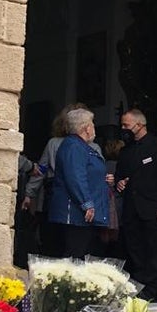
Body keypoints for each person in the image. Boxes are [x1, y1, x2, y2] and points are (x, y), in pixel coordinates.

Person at [114, 109, 157, 300]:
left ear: (139, 125)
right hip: (131, 210)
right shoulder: (125, 152)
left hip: (154, 209)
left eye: (126, 125)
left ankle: (153, 289)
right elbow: (120, 177)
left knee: (154, 250)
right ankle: (138, 286)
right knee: (134, 249)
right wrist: (120, 183)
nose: (123, 129)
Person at [28, 102, 99, 257]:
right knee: (73, 245)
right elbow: (75, 176)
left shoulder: (56, 143)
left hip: (55, 197)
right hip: (77, 200)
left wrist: (29, 194)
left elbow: (41, 170)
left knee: (58, 242)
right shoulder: (82, 147)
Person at [49, 108, 110, 258]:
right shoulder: (74, 146)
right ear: (86, 128)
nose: (94, 127)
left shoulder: (81, 146)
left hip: (82, 216)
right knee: (74, 255)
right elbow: (75, 176)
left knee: (80, 254)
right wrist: (86, 203)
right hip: (76, 215)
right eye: (92, 124)